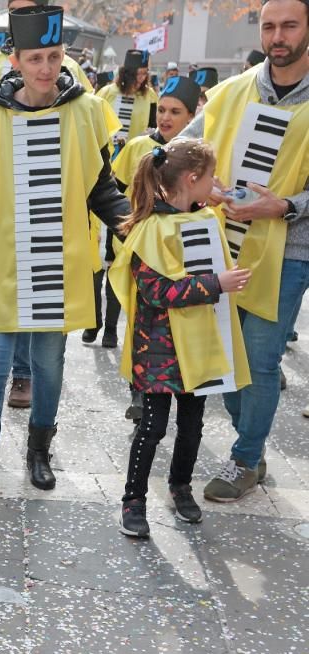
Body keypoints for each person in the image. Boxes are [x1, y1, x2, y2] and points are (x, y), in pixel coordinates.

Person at [0, 5, 130, 518]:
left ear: (63, 55)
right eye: (34, 58)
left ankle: (39, 451)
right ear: (16, 60)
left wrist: (128, 222)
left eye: (53, 56)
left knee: (48, 366)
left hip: (59, 264)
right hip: (1, 265)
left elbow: (101, 187)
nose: (45, 67)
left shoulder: (88, 111)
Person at [177, 0, 309, 503]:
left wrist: (286, 205)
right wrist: (201, 182)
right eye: (269, 25)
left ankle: (245, 458)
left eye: (290, 25)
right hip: (223, 243)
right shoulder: (232, 91)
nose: (278, 36)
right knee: (230, 358)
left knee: (259, 355)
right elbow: (176, 150)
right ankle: (252, 441)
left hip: (289, 250)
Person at [0, 0, 93, 411]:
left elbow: (92, 162)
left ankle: (23, 376)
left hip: (47, 222)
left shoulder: (72, 77)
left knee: (39, 306)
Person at [108, 140, 251, 537]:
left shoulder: (199, 217)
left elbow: (198, 227)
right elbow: (158, 292)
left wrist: (209, 199)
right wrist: (216, 283)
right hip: (158, 352)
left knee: (192, 426)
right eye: (210, 177)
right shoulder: (152, 228)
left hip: (198, 346)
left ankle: (180, 486)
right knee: (152, 427)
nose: (217, 183)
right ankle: (133, 500)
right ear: (191, 179)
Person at [87, 75, 203, 351]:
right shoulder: (139, 146)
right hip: (133, 236)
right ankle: (115, 334)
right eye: (161, 110)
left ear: (191, 116)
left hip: (177, 245)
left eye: (175, 112)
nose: (165, 118)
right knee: (133, 298)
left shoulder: (199, 154)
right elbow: (116, 189)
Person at [0, 0, 93, 126]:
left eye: (27, 12)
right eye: (13, 11)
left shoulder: (71, 68)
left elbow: (87, 119)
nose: (18, 19)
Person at [96, 49, 158, 150]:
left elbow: (153, 124)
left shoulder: (149, 94)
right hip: (109, 149)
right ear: (128, 74)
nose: (142, 78)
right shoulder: (108, 92)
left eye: (145, 73)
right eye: (138, 74)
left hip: (136, 149)